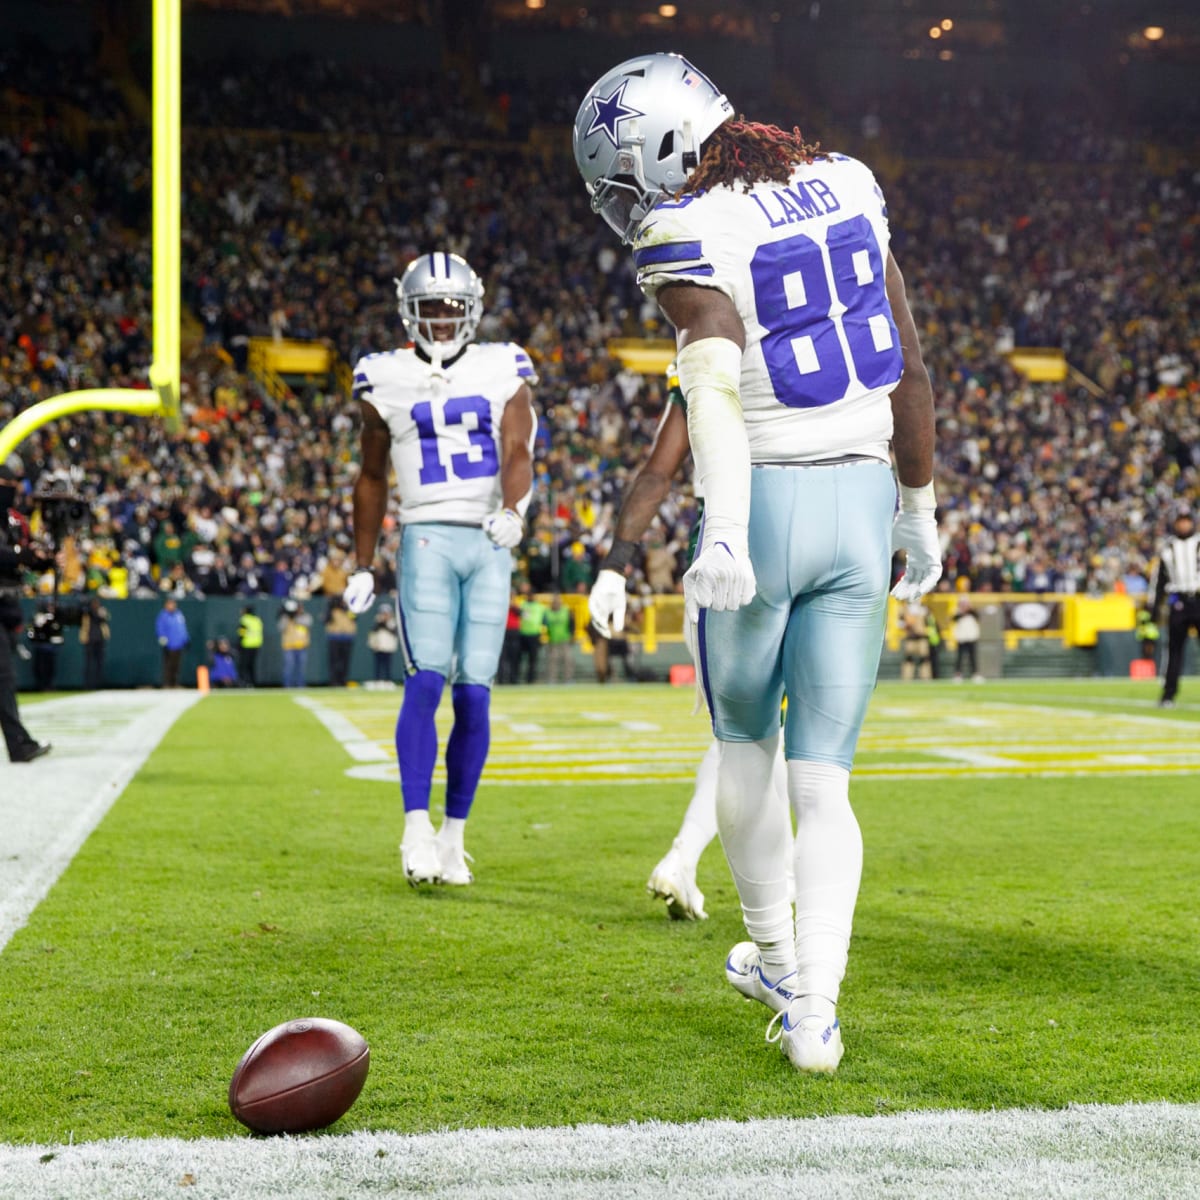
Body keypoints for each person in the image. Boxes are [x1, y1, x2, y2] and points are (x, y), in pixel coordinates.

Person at [575, 53, 940, 1073]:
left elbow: (715, 393)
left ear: (658, 150)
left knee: (745, 748)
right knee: (826, 780)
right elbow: (910, 356)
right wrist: (921, 507)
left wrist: (725, 526)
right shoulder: (849, 182)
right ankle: (818, 1012)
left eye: (624, 176)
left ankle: (780, 963)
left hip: (769, 498)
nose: (627, 202)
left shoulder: (686, 228)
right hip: (865, 501)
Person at [342, 250, 537, 887]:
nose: (444, 321)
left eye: (453, 309)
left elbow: (518, 448)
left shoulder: (502, 365)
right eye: (431, 309)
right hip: (425, 534)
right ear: (408, 311)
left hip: (487, 541)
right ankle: (414, 827)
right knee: (426, 680)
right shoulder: (383, 375)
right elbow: (371, 474)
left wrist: (515, 510)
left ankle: (454, 838)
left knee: (476, 694)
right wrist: (363, 563)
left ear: (474, 309)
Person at [591, 362, 789, 921]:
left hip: (716, 550)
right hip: (787, 528)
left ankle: (715, 860)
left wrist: (617, 565)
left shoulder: (707, 342)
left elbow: (659, 471)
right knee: (783, 733)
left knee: (745, 733)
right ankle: (757, 874)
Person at [0, 467, 53, 761]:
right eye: (6, 484)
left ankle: (19, 743)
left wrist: (41, 560)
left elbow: (21, 559)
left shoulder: (11, 521)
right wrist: (25, 556)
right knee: (4, 677)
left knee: (4, 679)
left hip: (6, 609)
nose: (12, 490)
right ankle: (19, 744)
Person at [1150, 504, 1200, 708]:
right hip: (1178, 600)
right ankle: (1168, 694)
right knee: (1174, 650)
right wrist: (1153, 609)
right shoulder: (1167, 548)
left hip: (1198, 599)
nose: (1184, 524)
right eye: (1180, 521)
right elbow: (1158, 582)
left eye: (1187, 520)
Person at [155, 595, 189, 688]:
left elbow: (182, 627)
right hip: (170, 644)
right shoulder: (163, 615)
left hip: (179, 643)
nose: (172, 606)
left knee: (177, 665)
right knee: (168, 665)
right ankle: (167, 684)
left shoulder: (178, 614)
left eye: (173, 604)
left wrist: (186, 638)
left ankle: (175, 683)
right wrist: (163, 638)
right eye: (170, 604)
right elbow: (160, 628)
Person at [515, 587, 548, 683]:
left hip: (534, 635)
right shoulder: (522, 605)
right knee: (519, 659)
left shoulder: (539, 607)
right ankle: (516, 679)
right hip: (522, 634)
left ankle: (530, 680)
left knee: (532, 660)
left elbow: (544, 621)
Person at [324, 595, 358, 687]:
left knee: (345, 662)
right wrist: (331, 607)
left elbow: (354, 618)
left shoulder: (349, 610)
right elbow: (326, 620)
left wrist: (347, 609)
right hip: (335, 638)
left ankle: (343, 681)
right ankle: (334, 681)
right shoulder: (332, 610)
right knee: (334, 661)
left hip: (347, 638)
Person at [278, 598, 312, 688]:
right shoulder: (286, 617)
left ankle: (300, 685)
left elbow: (308, 623)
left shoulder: (305, 616)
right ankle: (287, 685)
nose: (299, 609)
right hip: (289, 646)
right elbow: (280, 628)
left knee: (301, 668)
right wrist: (288, 617)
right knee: (289, 667)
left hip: (301, 646)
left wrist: (294, 617)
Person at [543, 591, 576, 684]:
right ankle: (552, 679)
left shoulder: (566, 610)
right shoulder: (547, 612)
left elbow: (572, 624)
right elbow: (544, 624)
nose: (556, 602)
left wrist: (572, 635)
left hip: (564, 639)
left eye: (558, 600)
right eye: (555, 600)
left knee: (568, 660)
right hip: (552, 640)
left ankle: (569, 679)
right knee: (552, 662)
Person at [79, 597, 110, 690]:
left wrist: (103, 614)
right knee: (89, 664)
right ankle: (88, 685)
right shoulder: (87, 613)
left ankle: (98, 684)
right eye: (94, 603)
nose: (95, 605)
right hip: (89, 640)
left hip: (100, 640)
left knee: (99, 663)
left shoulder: (101, 613)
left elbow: (106, 618)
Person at [951, 598, 982, 681]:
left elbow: (978, 616)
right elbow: (954, 618)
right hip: (961, 638)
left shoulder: (972, 613)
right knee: (960, 658)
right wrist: (962, 612)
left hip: (971, 638)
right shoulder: (957, 612)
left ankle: (975, 674)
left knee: (973, 658)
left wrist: (969, 610)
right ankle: (958, 674)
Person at [367, 606, 399, 684]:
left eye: (387, 613)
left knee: (388, 665)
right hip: (378, 647)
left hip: (388, 648)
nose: (385, 615)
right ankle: (377, 680)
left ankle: (388, 681)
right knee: (378, 665)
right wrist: (373, 644)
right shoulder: (376, 622)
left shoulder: (393, 623)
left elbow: (394, 633)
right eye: (383, 613)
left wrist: (385, 624)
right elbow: (372, 634)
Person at [237, 604, 264, 687]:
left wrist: (240, 642)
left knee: (244, 665)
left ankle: (244, 682)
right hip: (256, 645)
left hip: (246, 644)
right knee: (252, 665)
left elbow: (242, 632)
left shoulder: (244, 619)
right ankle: (253, 682)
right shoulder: (257, 620)